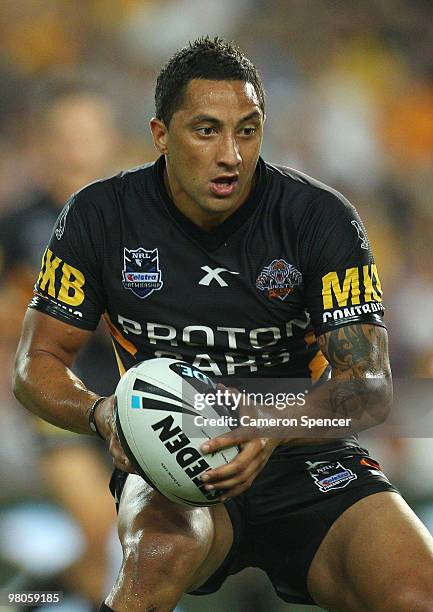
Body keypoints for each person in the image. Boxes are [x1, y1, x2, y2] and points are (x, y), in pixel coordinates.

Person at [13, 37, 433, 611]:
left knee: (417, 593)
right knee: (155, 560)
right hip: (174, 457)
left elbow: (370, 386)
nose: (232, 154)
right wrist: (101, 413)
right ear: (161, 134)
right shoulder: (100, 215)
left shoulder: (319, 218)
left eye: (248, 129)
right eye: (207, 130)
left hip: (308, 454)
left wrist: (271, 423)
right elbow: (36, 364)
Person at [0, 78, 120, 607]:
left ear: (108, 140)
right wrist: (46, 308)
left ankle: (30, 595)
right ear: (45, 143)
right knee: (102, 526)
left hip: (134, 394)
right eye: (65, 136)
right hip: (55, 392)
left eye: (86, 135)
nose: (76, 148)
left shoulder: (141, 217)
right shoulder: (20, 222)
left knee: (128, 544)